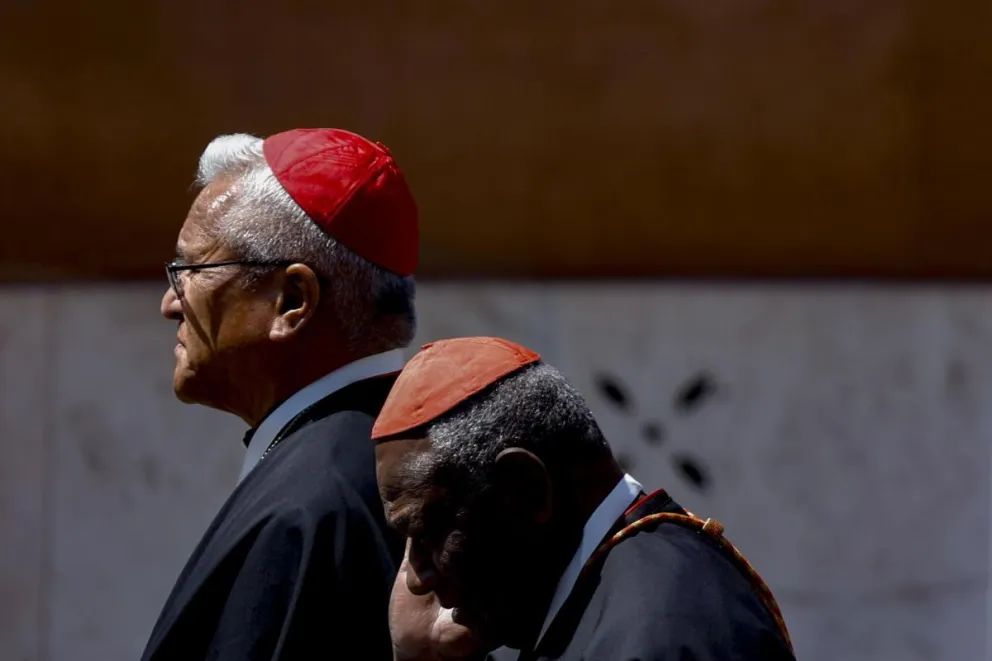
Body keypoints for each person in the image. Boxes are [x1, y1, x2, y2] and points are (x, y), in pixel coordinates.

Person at [142, 127, 418, 661]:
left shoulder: (311, 508)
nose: (169, 305)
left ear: (292, 300)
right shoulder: (376, 454)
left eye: (189, 271)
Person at [372, 337, 796, 661]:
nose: (416, 578)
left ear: (527, 490)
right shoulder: (602, 591)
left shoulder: (651, 637)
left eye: (429, 534)